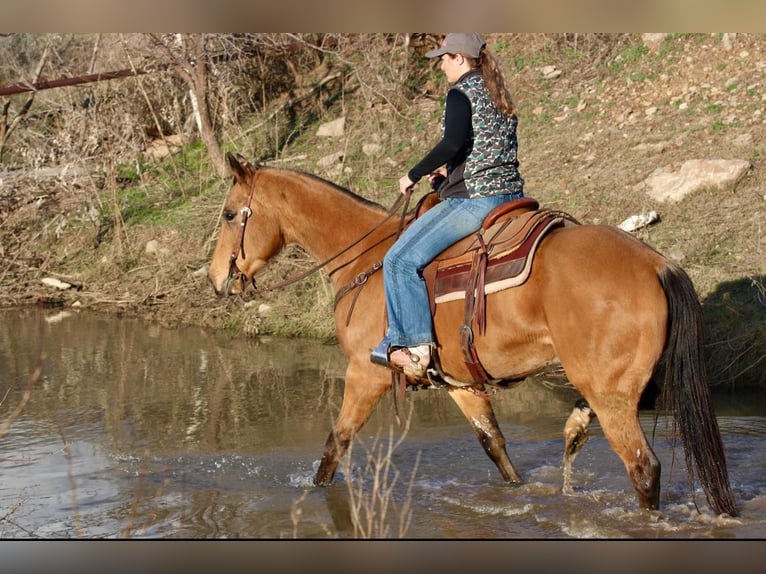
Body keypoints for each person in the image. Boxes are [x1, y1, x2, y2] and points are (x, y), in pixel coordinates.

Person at [374, 32, 525, 378]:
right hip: (513, 198)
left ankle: (414, 349)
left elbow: (452, 142)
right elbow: (480, 149)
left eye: (444, 57)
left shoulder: (461, 93)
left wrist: (413, 174)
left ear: (460, 58)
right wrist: (444, 179)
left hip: (477, 201)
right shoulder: (497, 93)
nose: (440, 64)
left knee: (398, 260)